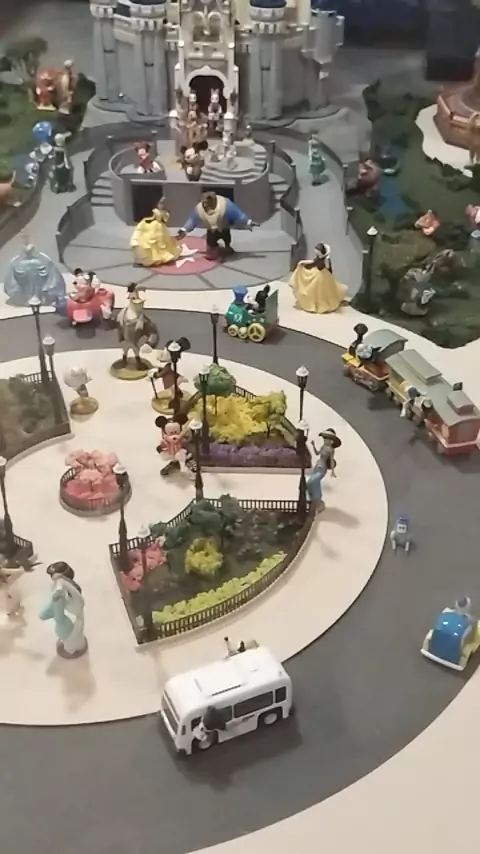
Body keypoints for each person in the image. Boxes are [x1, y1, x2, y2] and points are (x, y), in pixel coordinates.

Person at [176, 191, 258, 261]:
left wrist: (248, 222)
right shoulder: (199, 210)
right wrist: (184, 230)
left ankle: (227, 247)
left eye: (209, 203)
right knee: (211, 245)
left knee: (226, 238)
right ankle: (213, 249)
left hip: (224, 226)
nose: (206, 206)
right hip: (211, 230)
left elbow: (238, 214)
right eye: (205, 203)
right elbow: (192, 220)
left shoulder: (226, 205)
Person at [289, 243, 347, 314]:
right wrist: (302, 262)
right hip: (317, 272)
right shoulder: (319, 256)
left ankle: (321, 304)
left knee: (320, 290)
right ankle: (313, 303)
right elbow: (314, 261)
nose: (316, 252)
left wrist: (326, 265)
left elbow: (328, 268)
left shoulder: (326, 259)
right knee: (313, 288)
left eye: (317, 250)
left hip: (323, 275)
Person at [130, 200, 182, 267]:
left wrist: (165, 213)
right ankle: (149, 259)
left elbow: (165, 220)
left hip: (160, 228)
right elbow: (148, 218)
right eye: (160, 203)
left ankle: (162, 258)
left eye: (163, 204)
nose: (162, 205)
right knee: (150, 243)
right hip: (152, 227)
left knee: (162, 243)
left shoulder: (164, 211)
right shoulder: (153, 211)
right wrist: (152, 218)